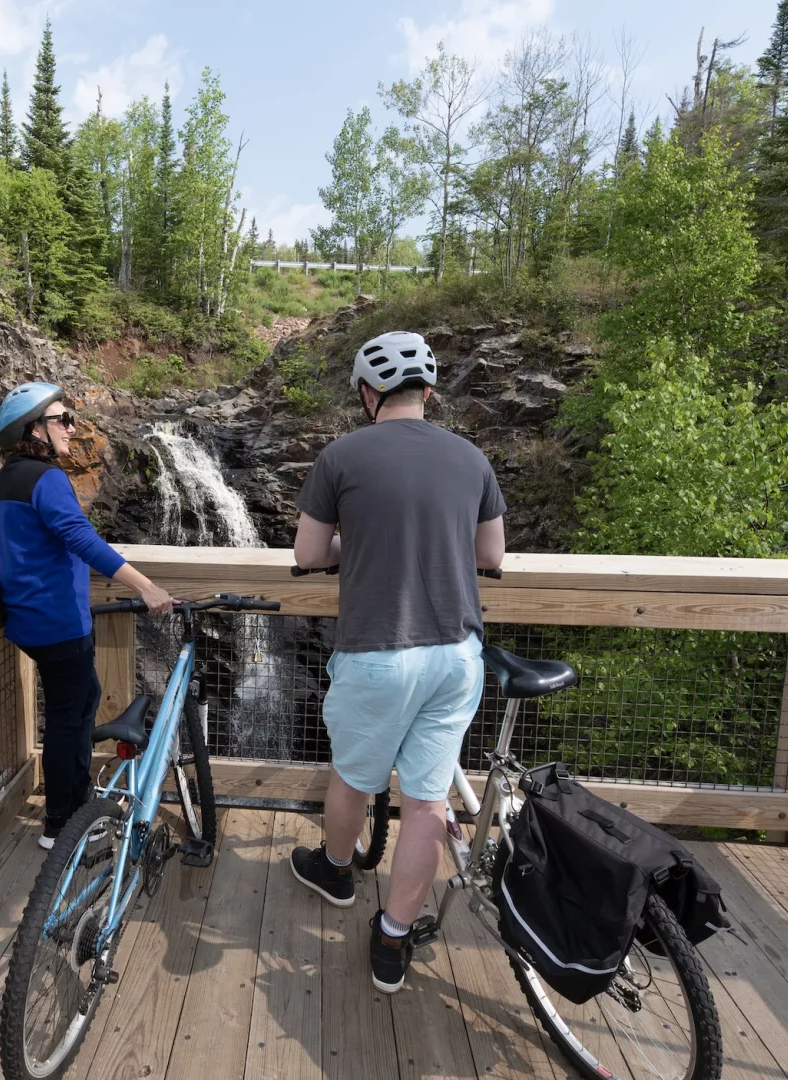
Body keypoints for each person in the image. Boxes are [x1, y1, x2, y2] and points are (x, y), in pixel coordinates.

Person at [287, 331, 506, 993]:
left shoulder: (341, 456)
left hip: (378, 653)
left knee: (354, 780)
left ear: (367, 393)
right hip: (455, 655)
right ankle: (393, 937)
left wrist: (357, 542)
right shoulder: (471, 458)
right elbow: (492, 556)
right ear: (428, 392)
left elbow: (308, 553)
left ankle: (335, 872)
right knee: (427, 802)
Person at [0, 383, 176, 850]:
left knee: (78, 702)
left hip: (29, 616)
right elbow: (82, 539)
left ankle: (73, 803)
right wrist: (146, 586)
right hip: (58, 619)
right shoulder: (46, 478)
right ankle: (62, 823)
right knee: (69, 718)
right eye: (63, 420)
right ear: (34, 428)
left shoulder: (8, 478)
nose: (72, 428)